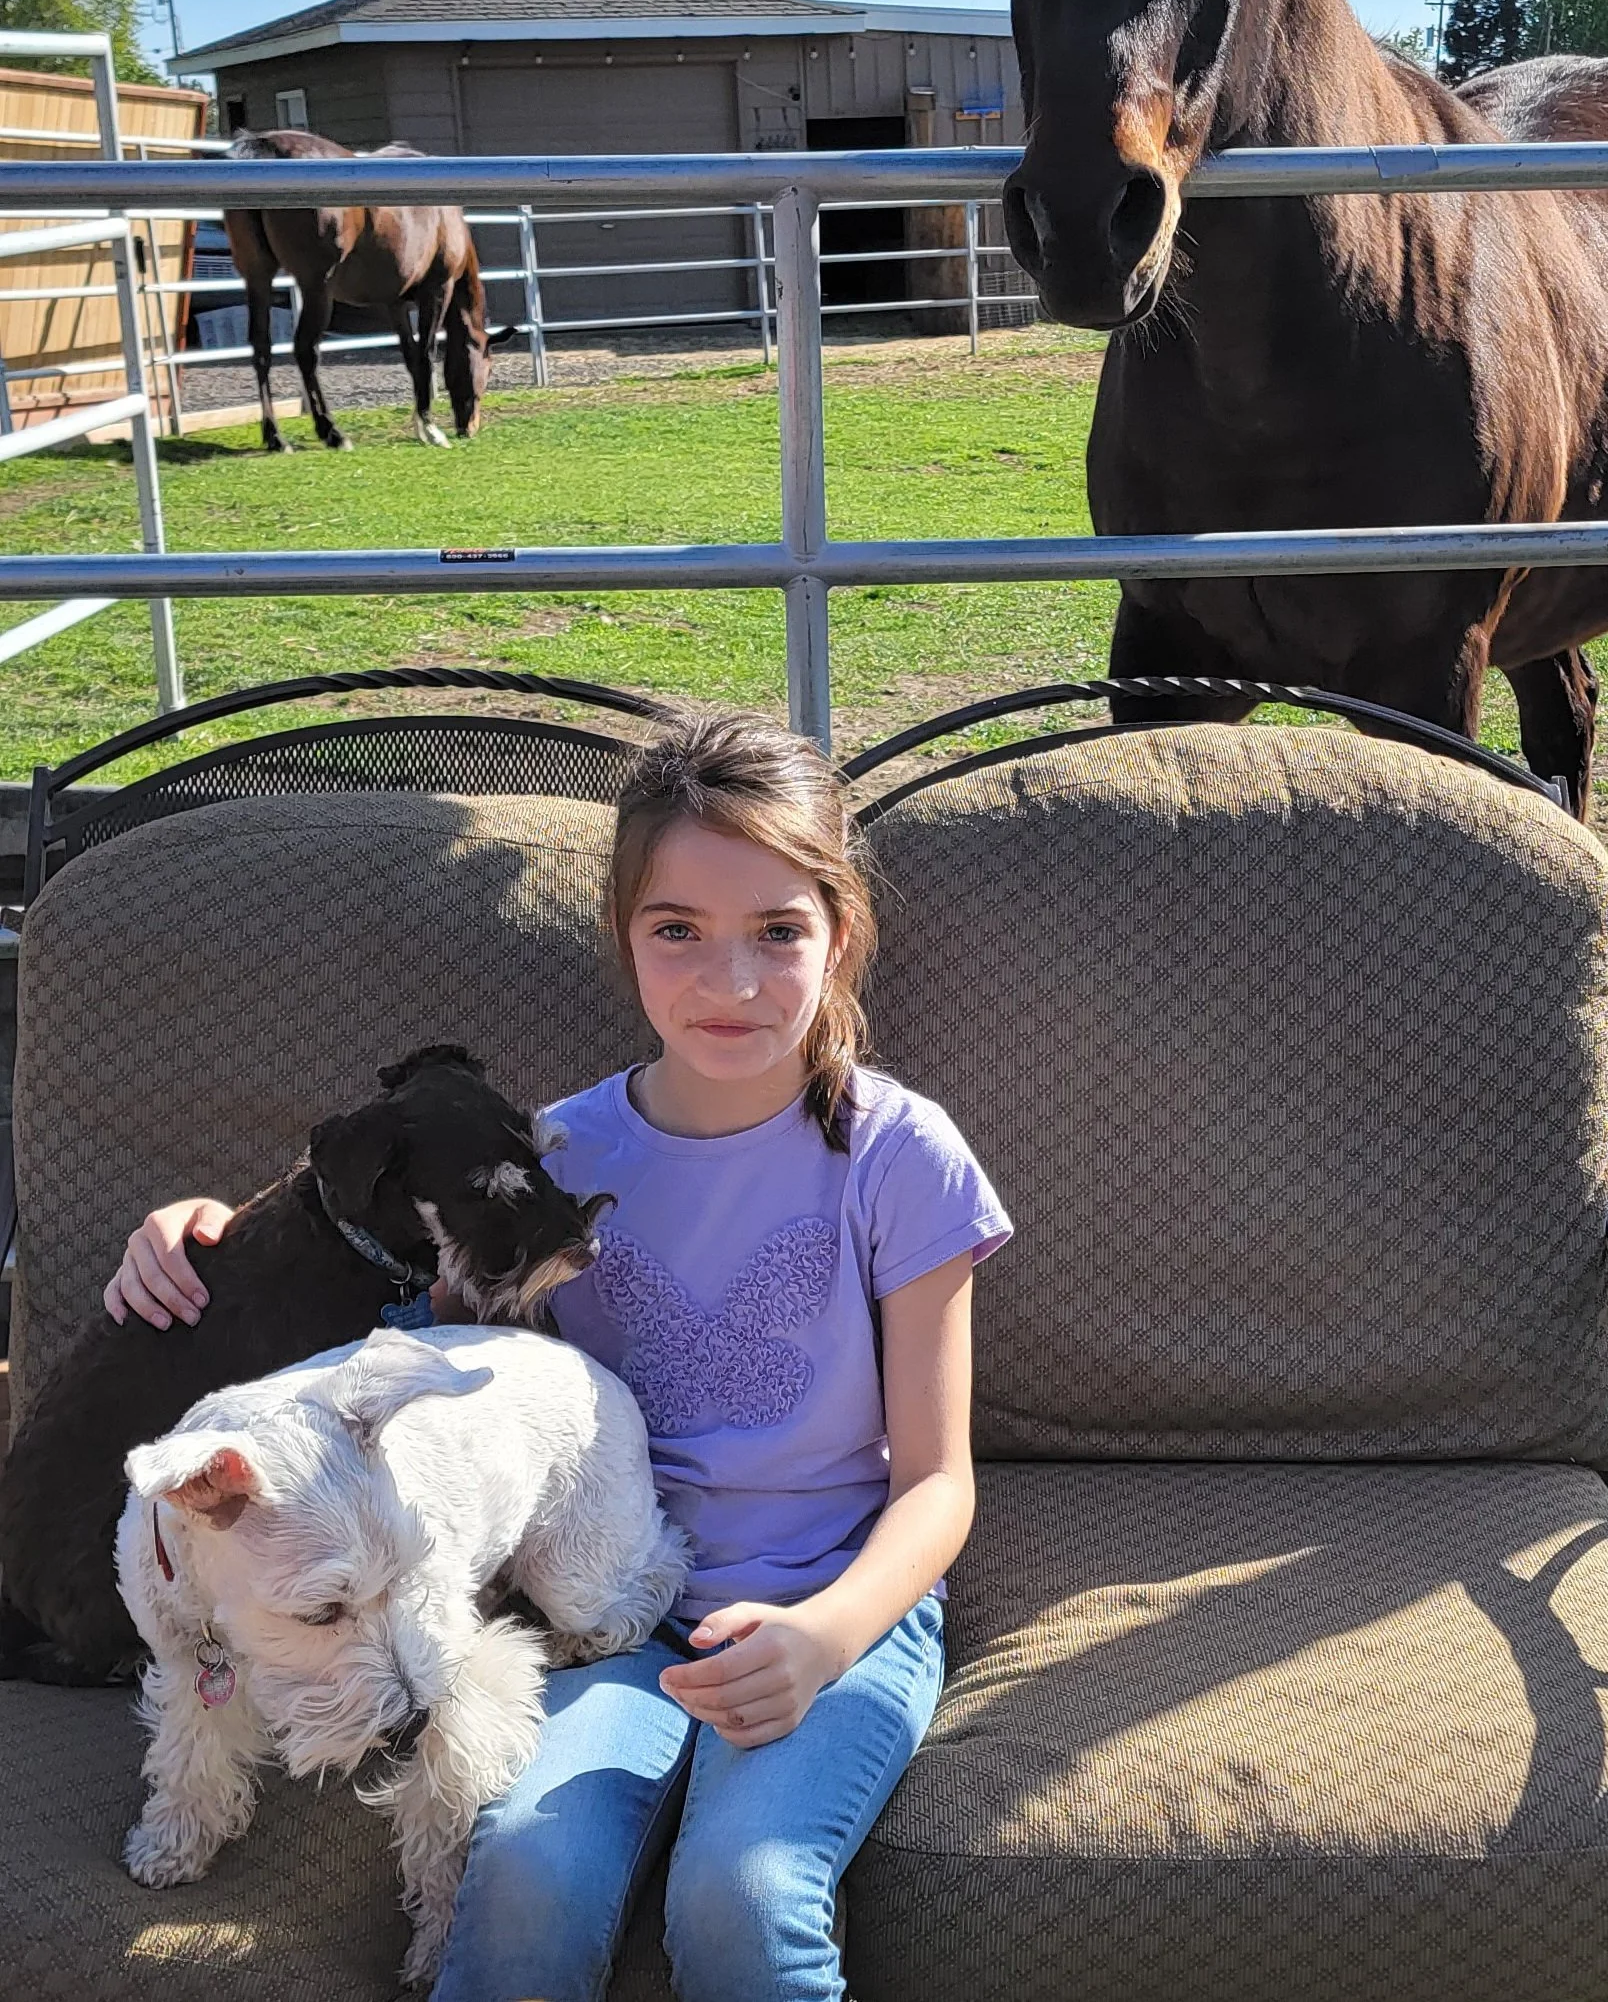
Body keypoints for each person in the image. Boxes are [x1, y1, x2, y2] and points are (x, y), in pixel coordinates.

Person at [106, 705, 1011, 2002]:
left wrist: (821, 1637)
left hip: (837, 1605)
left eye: (777, 933)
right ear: (624, 941)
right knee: (524, 1871)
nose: (732, 980)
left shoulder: (896, 1154)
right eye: (678, 932)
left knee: (742, 1901)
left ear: (839, 934)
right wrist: (203, 1231)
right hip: (602, 1613)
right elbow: (379, 1309)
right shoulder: (554, 1161)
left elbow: (938, 1482)